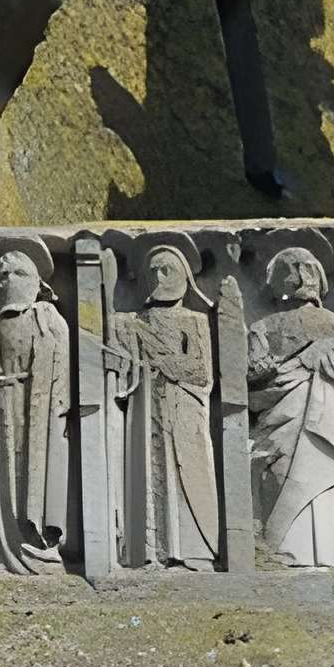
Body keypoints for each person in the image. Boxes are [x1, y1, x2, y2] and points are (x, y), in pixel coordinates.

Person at [247, 245, 334, 570]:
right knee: (282, 474)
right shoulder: (266, 326)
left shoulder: (332, 324)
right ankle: (295, 551)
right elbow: (248, 377)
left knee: (318, 470)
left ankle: (321, 552)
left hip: (320, 413)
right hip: (282, 416)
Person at [0, 244, 69, 575]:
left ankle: (36, 543)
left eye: (19, 273)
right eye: (2, 274)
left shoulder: (45, 316)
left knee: (31, 477)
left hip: (36, 411)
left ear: (37, 282)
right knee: (0, 477)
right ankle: (1, 544)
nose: (8, 280)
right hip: (0, 409)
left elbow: (56, 366)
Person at [115, 236, 221, 570]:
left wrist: (157, 355)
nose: (160, 278)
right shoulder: (133, 321)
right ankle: (149, 550)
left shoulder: (195, 320)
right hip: (147, 406)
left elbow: (201, 372)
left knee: (191, 474)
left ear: (184, 275)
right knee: (148, 473)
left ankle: (196, 552)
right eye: (154, 271)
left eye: (167, 270)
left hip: (186, 408)